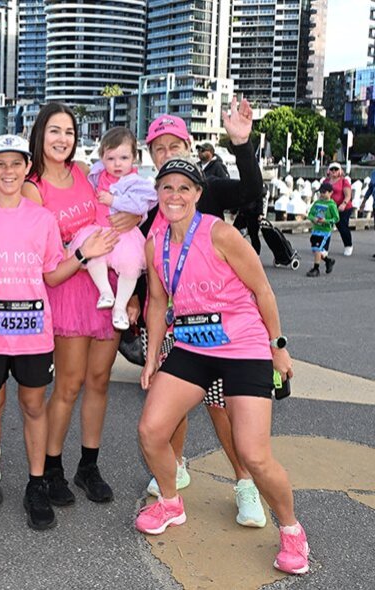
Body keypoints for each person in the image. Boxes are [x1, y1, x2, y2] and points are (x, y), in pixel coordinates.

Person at [0, 135, 117, 530]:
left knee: (33, 406)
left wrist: (81, 256)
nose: (8, 171)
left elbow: (51, 275)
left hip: (32, 333)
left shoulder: (42, 219)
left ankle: (36, 483)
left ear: (27, 168)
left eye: (16, 164)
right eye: (0, 164)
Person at [138, 157, 310, 576]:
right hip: (193, 345)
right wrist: (151, 357)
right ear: (157, 193)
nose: (174, 196)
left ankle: (291, 529)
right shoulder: (155, 241)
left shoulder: (221, 233)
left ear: (198, 194)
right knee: (151, 430)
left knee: (253, 453)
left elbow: (262, 289)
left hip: (243, 345)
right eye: (167, 188)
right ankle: (170, 501)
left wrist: (278, 347)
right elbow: (158, 302)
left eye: (184, 188)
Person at [139, 101, 270, 530]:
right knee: (166, 407)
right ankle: (173, 469)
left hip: (222, 326)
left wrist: (242, 143)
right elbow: (149, 273)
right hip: (174, 325)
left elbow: (252, 193)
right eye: (159, 148)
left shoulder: (203, 189)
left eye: (175, 144)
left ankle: (245, 481)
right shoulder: (152, 207)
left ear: (189, 146)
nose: (167, 153)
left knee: (221, 409)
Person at [20, 103, 129, 508]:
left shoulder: (83, 174)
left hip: (105, 287)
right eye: (54, 130)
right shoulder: (33, 186)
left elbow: (114, 214)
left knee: (99, 381)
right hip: (67, 288)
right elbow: (44, 259)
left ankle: (89, 464)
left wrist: (128, 224)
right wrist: (83, 254)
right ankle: (51, 468)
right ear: (40, 134)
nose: (62, 138)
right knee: (67, 385)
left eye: (68, 131)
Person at [68, 126, 156, 330]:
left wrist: (114, 200)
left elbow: (140, 206)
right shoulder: (99, 174)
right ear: (102, 158)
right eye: (111, 158)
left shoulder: (135, 181)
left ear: (134, 158)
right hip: (99, 228)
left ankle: (120, 306)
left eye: (124, 158)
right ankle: (105, 291)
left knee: (130, 267)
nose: (117, 164)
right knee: (94, 257)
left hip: (124, 234)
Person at [305, 182, 340, 277]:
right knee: (315, 249)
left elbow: (336, 218)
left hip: (325, 231)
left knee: (318, 248)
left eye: (324, 192)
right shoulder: (317, 203)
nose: (322, 194)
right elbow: (310, 214)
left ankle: (316, 268)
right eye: (321, 192)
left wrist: (326, 221)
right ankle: (328, 261)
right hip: (316, 228)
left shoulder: (331, 205)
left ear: (330, 193)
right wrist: (313, 219)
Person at [322, 163, 354, 256]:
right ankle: (324, 248)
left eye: (336, 169)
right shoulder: (326, 181)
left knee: (342, 227)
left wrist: (343, 204)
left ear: (340, 171)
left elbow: (348, 195)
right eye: (332, 169)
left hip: (343, 208)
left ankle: (348, 245)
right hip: (329, 207)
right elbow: (322, 194)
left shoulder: (344, 181)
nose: (334, 171)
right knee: (326, 227)